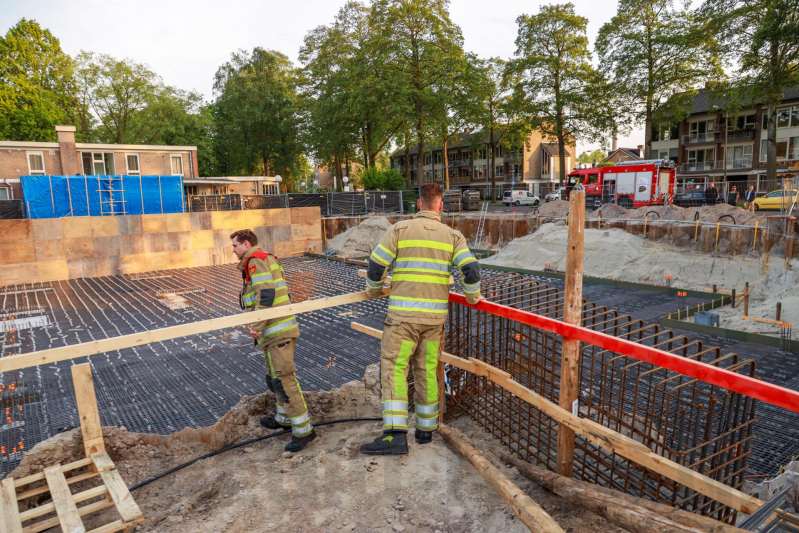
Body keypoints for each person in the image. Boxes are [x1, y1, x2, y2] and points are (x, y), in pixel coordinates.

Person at [360, 182, 483, 455]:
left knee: (394, 369)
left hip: (403, 319)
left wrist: (373, 290)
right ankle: (425, 431)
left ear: (418, 204)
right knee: (427, 370)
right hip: (434, 320)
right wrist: (473, 298)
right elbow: (472, 271)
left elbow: (376, 265)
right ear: (440, 205)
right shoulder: (453, 236)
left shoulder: (400, 230)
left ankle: (395, 436)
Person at [231, 229, 316, 452]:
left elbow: (266, 295)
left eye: (235, 246)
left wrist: (257, 327)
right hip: (273, 332)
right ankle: (283, 418)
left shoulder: (255, 261)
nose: (233, 251)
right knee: (274, 378)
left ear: (246, 244)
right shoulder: (260, 259)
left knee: (284, 380)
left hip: (277, 331)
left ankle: (304, 430)